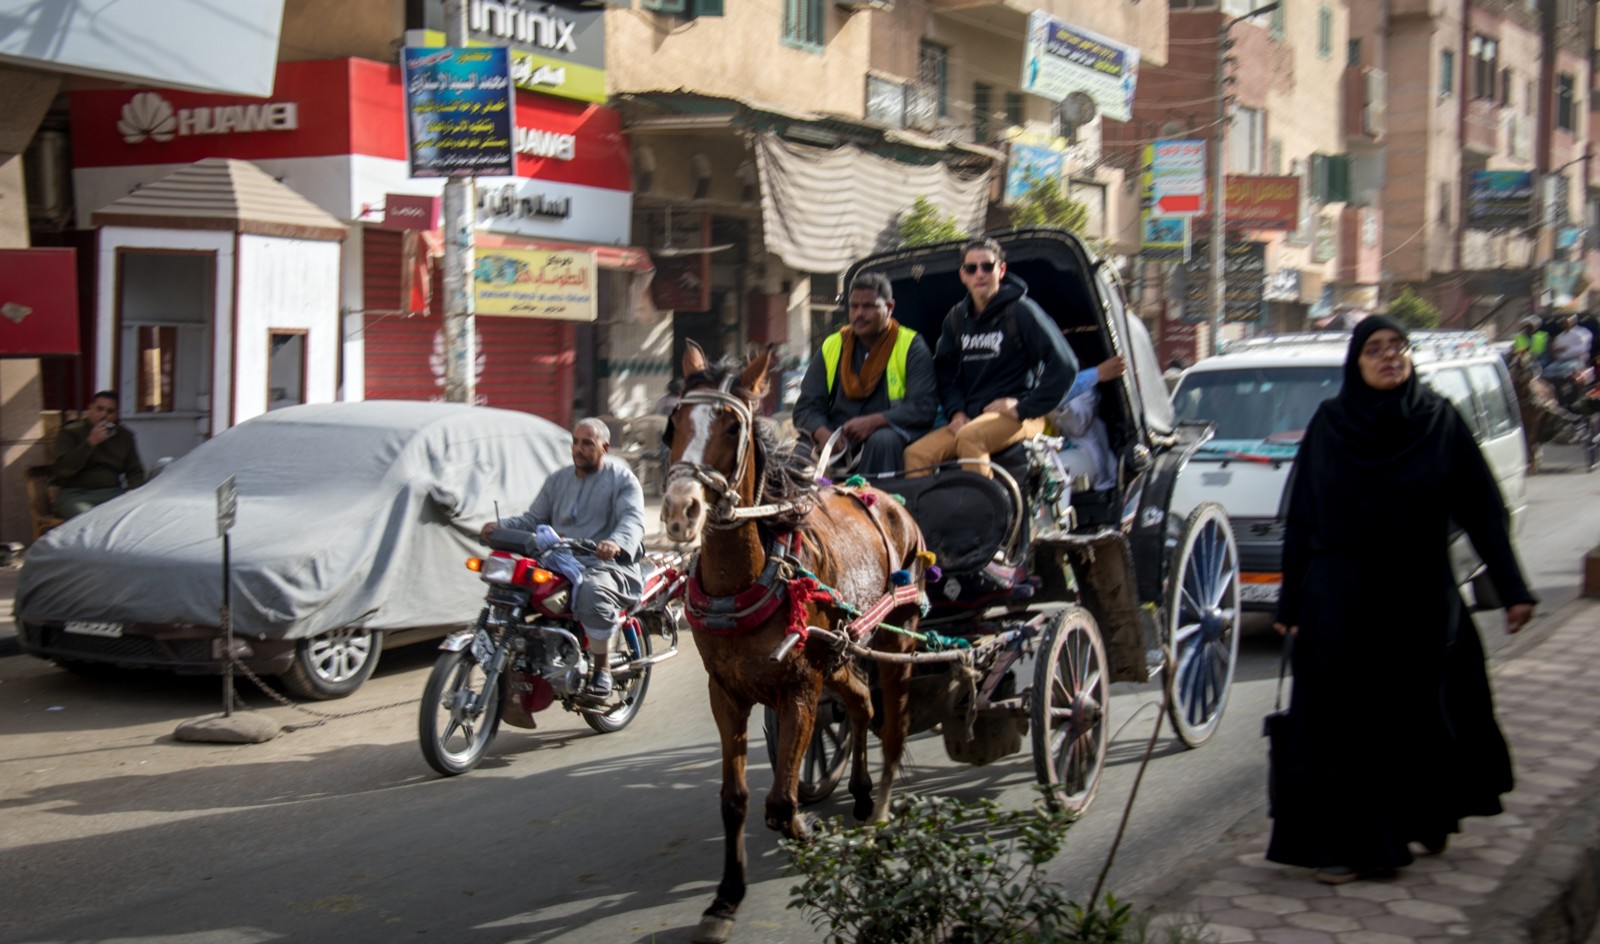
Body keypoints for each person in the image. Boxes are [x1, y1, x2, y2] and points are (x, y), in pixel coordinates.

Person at [1269, 316, 1536, 885]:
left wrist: (1513, 588)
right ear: (1356, 363)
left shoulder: (1438, 421)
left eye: (1398, 348)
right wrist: (1289, 606)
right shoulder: (1332, 425)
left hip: (1418, 598)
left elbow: (1482, 508)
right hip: (1341, 602)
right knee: (1345, 727)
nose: (1390, 357)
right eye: (1375, 349)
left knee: (1418, 718)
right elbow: (1303, 520)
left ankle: (1422, 814)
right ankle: (1359, 847)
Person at [480, 417, 646, 699]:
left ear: (604, 447)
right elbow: (533, 519)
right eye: (576, 442)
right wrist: (500, 526)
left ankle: (601, 670)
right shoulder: (558, 480)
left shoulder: (622, 480)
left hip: (604, 563)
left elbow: (632, 520)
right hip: (558, 560)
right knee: (511, 582)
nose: (579, 449)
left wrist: (614, 543)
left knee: (593, 592)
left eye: (587, 443)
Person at [903, 237, 1077, 478]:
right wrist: (955, 411)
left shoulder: (1021, 311)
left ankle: (984, 515)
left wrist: (1023, 407)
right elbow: (944, 372)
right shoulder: (956, 319)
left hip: (1022, 417)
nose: (980, 274)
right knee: (916, 454)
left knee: (971, 437)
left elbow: (1065, 365)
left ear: (1001, 270)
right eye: (971, 268)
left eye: (987, 266)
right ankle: (927, 516)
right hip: (972, 418)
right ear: (963, 275)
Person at [792, 272, 937, 476]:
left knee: (882, 441)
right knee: (798, 455)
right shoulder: (832, 346)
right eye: (854, 306)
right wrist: (821, 432)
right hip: (836, 439)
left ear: (889, 308)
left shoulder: (912, 346)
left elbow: (923, 408)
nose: (859, 313)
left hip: (887, 436)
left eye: (868, 306)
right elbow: (806, 407)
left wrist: (875, 421)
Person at [52, 390, 145, 518]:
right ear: (90, 409)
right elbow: (63, 469)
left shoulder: (124, 436)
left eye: (110, 411)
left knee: (135, 515)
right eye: (99, 409)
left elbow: (135, 470)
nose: (103, 415)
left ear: (117, 415)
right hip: (76, 494)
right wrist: (90, 442)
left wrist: (132, 491)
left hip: (112, 493)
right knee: (88, 518)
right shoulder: (71, 432)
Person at [1048, 354, 1124, 490]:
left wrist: (1058, 406)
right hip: (1049, 450)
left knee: (1050, 474)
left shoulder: (1085, 391)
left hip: (1084, 454)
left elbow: (1078, 427)